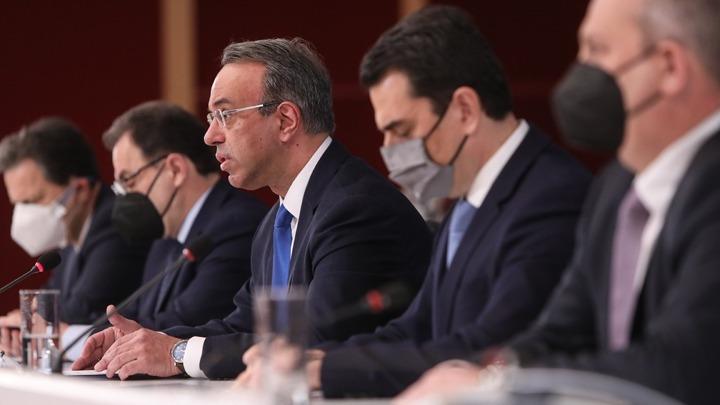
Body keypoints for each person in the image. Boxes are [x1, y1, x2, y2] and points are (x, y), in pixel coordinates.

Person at [239, 6, 591, 397]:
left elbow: (491, 344)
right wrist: (316, 359)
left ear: (465, 110)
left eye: (402, 129)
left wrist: (330, 370)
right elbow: (417, 326)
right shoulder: (467, 202)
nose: (389, 150)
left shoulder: (551, 196)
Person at [399, 1, 720, 404]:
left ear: (669, 67)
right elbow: (562, 331)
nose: (579, 71)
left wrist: (497, 386)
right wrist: (489, 372)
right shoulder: (615, 187)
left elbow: (684, 369)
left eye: (597, 50)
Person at [71, 37, 433, 380]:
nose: (210, 136)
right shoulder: (276, 221)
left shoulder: (355, 209)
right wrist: (149, 342)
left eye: (225, 115)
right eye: (211, 118)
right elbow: (243, 326)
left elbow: (312, 339)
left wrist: (177, 354)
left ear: (285, 121)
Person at [101, 101, 267, 330]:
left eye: (129, 180)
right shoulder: (165, 239)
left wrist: (115, 336)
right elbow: (134, 316)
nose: (126, 197)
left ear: (176, 169)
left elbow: (186, 323)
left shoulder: (238, 225)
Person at [0, 117, 150, 352]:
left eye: (32, 201)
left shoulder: (117, 223)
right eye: (18, 204)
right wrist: (23, 322)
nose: (24, 215)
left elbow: (79, 311)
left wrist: (26, 321)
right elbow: (47, 303)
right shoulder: (71, 234)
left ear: (79, 190)